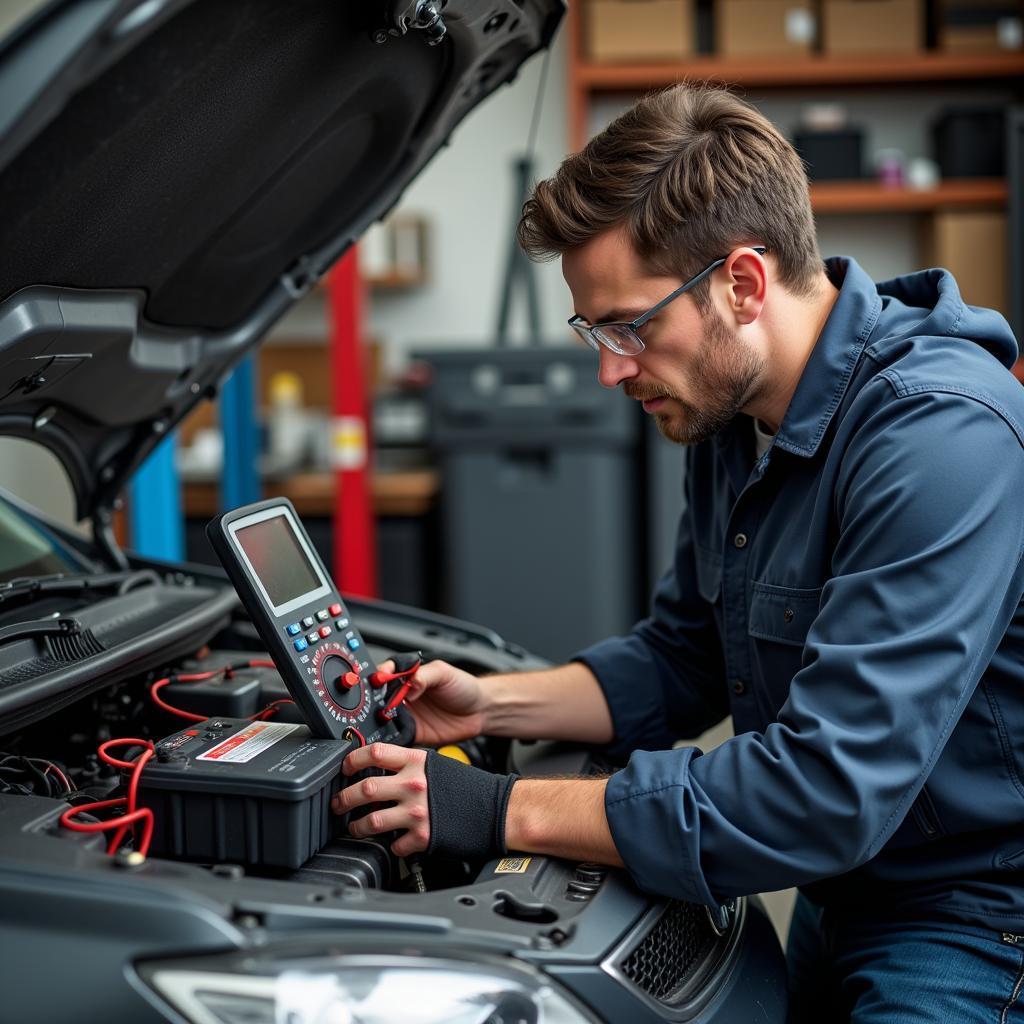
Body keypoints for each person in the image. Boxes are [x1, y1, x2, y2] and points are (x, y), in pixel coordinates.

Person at [332, 83, 1024, 1022]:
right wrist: (491, 702)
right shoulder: (735, 418)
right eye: (595, 331)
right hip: (845, 891)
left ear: (742, 283)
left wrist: (495, 808)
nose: (610, 368)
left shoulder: (942, 439)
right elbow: (685, 656)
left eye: (631, 327)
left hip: (978, 915)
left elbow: (823, 791)